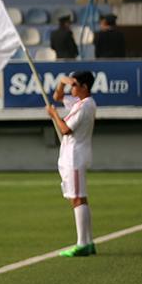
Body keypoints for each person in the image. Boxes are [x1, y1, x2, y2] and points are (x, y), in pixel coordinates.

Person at [45, 71, 97, 257]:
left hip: (75, 156)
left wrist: (54, 115)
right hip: (74, 155)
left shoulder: (84, 106)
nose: (71, 88)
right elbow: (58, 97)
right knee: (79, 198)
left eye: (74, 85)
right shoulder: (81, 102)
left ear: (84, 87)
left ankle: (82, 243)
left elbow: (65, 129)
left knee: (77, 198)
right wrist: (62, 82)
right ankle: (88, 241)